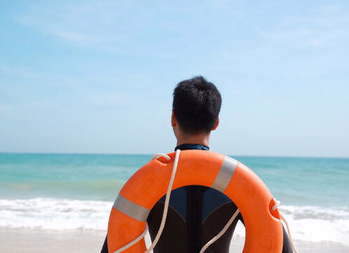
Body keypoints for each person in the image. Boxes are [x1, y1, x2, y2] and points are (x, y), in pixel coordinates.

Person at [101, 76, 293, 253]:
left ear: (173, 118)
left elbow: (115, 246)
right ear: (216, 122)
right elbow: (281, 247)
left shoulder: (147, 183)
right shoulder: (239, 184)